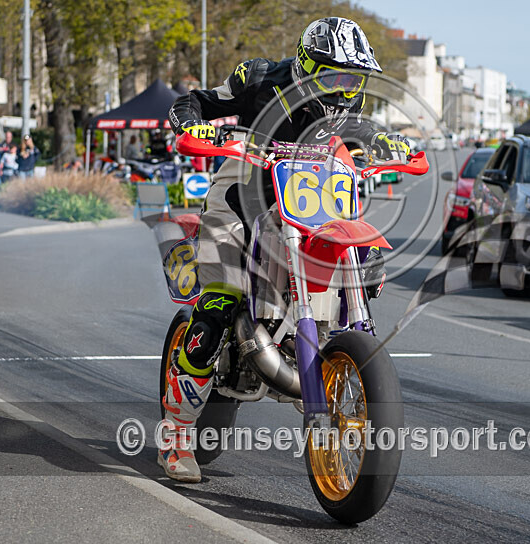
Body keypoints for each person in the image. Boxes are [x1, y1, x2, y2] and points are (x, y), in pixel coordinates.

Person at [160, 17, 409, 483]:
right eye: (337, 76)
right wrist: (199, 127)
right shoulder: (257, 78)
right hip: (242, 191)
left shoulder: (346, 113)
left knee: (363, 260)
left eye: (354, 79)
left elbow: (369, 134)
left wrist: (391, 145)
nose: (345, 88)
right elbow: (196, 102)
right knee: (218, 304)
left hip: (311, 201)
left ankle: (327, 355)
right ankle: (176, 433)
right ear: (308, 67)